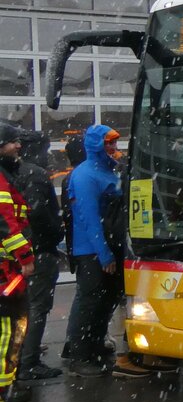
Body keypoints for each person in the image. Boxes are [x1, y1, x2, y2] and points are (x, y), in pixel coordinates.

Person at [61, 125, 149, 379]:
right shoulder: (85, 175)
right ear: (97, 146)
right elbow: (88, 218)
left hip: (112, 247)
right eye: (108, 143)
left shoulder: (111, 171)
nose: (114, 148)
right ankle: (79, 355)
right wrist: (103, 254)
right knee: (89, 301)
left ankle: (95, 346)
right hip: (92, 251)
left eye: (115, 143)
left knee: (107, 300)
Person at [13, 131, 64, 382]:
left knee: (23, 307)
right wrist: (57, 232)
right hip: (38, 251)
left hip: (19, 252)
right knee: (37, 307)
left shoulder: (13, 173)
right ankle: (28, 361)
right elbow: (39, 213)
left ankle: (21, 354)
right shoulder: (34, 174)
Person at [0, 124, 34, 402]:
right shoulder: (1, 180)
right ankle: (4, 387)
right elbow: (6, 225)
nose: (18, 146)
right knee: (10, 328)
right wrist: (26, 257)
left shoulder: (7, 176)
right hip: (6, 271)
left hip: (7, 269)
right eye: (12, 142)